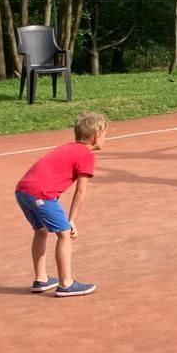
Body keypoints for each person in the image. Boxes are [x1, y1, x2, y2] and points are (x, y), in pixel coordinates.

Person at [15, 111, 107, 297]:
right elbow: (80, 191)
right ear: (96, 137)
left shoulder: (67, 148)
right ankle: (66, 283)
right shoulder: (86, 155)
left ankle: (41, 279)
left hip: (22, 192)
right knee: (64, 235)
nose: (106, 139)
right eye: (105, 135)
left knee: (40, 231)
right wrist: (71, 220)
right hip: (41, 195)